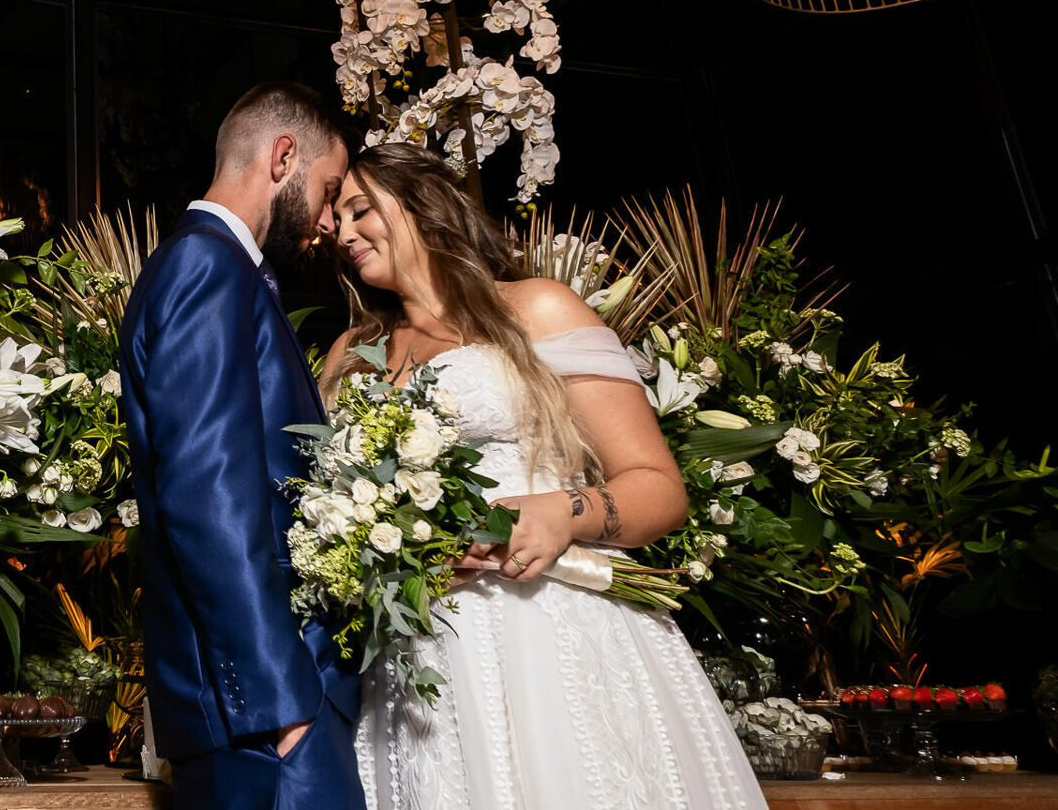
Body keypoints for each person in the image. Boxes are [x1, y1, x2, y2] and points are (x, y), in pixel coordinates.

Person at [328, 142, 767, 810]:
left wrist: (565, 513)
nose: (342, 231)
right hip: (419, 653)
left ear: (423, 204)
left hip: (551, 628)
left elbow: (658, 486)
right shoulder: (349, 355)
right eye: (335, 221)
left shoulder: (538, 309)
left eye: (360, 209)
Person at [116, 81, 366, 810]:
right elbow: (207, 494)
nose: (327, 221)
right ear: (282, 157)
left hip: (260, 713)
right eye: (327, 191)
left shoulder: (216, 267)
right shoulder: (207, 265)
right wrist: (281, 708)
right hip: (263, 716)